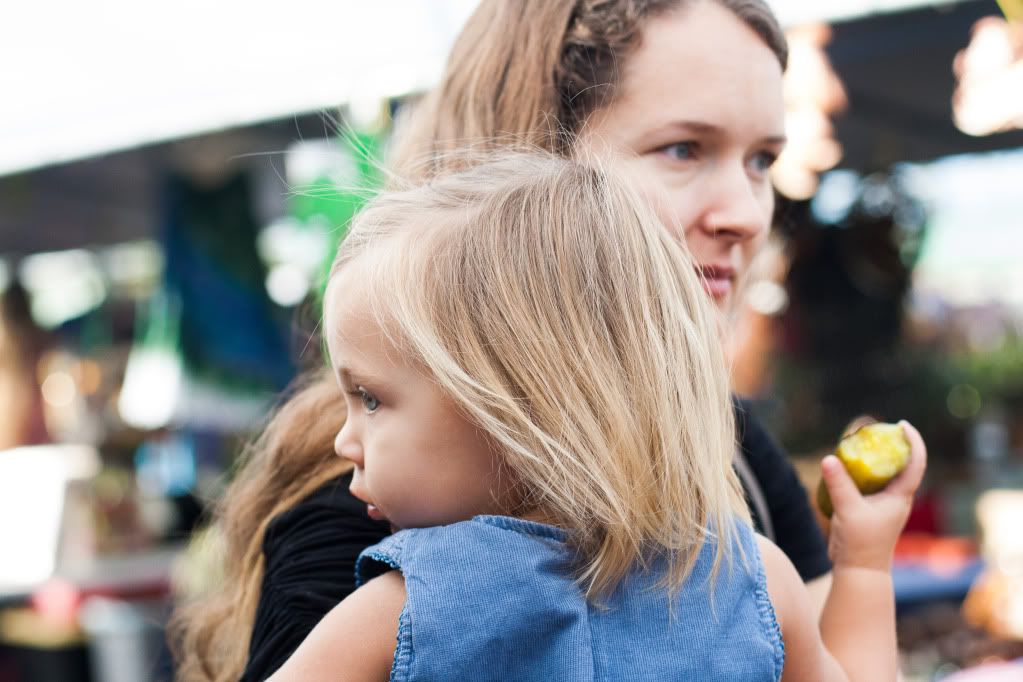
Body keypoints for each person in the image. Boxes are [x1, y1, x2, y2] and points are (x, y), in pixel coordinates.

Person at [169, 1, 878, 679]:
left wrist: (863, 564)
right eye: (682, 149)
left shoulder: (737, 458)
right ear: (536, 170)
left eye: (761, 161)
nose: (746, 214)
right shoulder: (378, 510)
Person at [264, 153, 926, 681]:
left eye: (372, 399)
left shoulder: (402, 614)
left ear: (518, 408)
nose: (343, 439)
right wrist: (863, 562)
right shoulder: (747, 579)